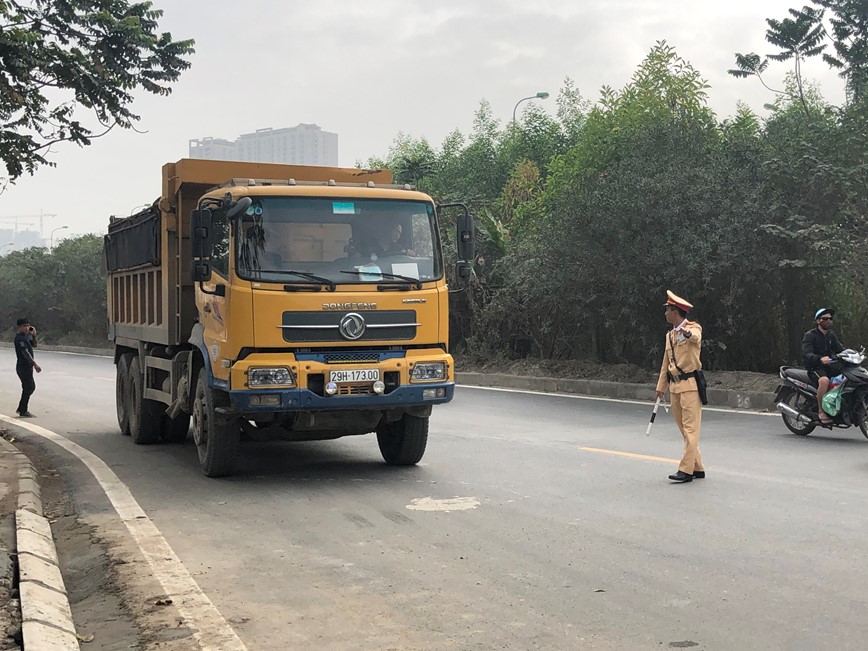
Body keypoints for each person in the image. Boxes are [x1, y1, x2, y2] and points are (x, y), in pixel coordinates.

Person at [655, 291, 705, 483]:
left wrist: (687, 332)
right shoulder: (669, 336)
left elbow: (696, 337)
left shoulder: (693, 328)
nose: (666, 313)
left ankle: (686, 470)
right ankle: (697, 466)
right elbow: (665, 364)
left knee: (691, 430)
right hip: (675, 387)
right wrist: (661, 387)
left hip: (691, 386)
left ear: (675, 312)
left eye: (668, 310)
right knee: (684, 430)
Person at [801, 308, 845, 425]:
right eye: (825, 319)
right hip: (815, 367)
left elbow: (840, 349)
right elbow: (806, 353)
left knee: (846, 377)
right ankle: (821, 411)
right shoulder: (810, 335)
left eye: (830, 318)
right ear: (818, 321)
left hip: (831, 366)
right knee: (824, 381)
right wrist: (819, 358)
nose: (828, 321)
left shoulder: (831, 335)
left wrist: (851, 354)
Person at [13, 318, 41, 417]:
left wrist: (34, 336)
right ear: (19, 327)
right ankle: (22, 410)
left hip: (27, 367)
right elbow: (25, 353)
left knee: (29, 387)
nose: (27, 328)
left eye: (28, 326)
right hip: (23, 367)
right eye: (24, 326)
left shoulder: (25, 337)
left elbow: (35, 345)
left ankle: (22, 409)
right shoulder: (19, 339)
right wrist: (35, 364)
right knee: (28, 387)